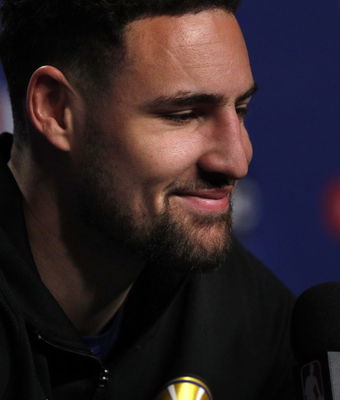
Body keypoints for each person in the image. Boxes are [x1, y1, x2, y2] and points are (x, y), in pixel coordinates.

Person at [0, 1, 297, 399]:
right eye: (185, 114)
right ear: (56, 109)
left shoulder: (251, 321)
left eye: (240, 109)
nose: (237, 160)